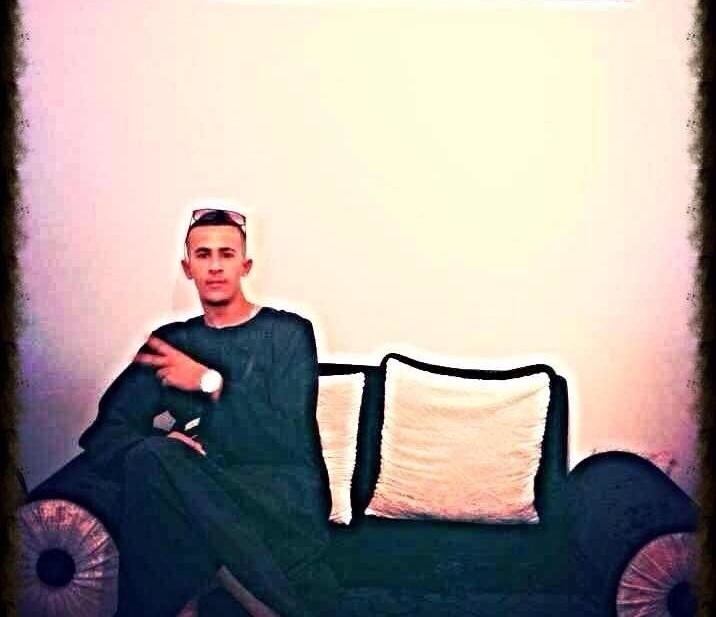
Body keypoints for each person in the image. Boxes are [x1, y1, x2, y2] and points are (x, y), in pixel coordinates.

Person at [77, 207, 341, 617]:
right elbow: (104, 433)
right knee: (151, 458)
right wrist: (168, 447)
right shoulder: (172, 342)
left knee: (161, 473)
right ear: (188, 268)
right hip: (200, 487)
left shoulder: (288, 333)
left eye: (226, 254)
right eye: (203, 255)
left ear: (245, 265)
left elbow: (285, 436)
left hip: (278, 495)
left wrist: (209, 383)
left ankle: (233, 599)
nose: (215, 266)